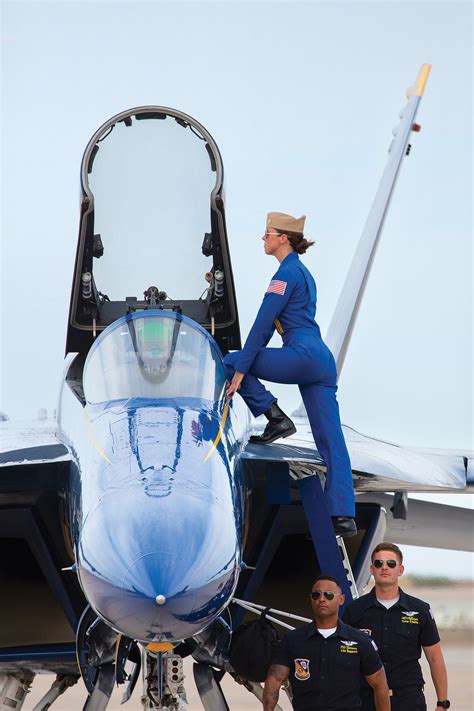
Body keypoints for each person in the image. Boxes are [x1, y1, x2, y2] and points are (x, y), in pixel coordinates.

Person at [224, 211, 356, 537]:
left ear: (283, 238)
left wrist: (242, 369)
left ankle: (274, 416)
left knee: (228, 360)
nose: (263, 238)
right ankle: (343, 515)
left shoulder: (285, 274)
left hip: (302, 355)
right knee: (331, 441)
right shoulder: (304, 273)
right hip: (321, 361)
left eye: (267, 233)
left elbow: (263, 323)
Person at [343, 542, 449, 711]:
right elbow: (342, 660)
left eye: (390, 564)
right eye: (378, 563)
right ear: (372, 569)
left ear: (400, 570)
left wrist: (442, 703)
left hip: (408, 700)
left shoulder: (419, 610)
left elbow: (435, 657)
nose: (384, 567)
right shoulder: (354, 610)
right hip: (366, 701)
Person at [263, 575, 390, 711]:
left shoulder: (360, 641)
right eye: (316, 595)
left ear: (341, 600)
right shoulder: (292, 640)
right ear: (311, 599)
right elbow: (274, 682)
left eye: (328, 595)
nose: (321, 599)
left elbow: (380, 686)